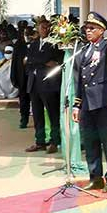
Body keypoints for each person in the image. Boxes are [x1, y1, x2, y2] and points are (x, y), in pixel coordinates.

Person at [71, 12, 107, 193]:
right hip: (87, 102)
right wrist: (77, 105)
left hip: (103, 99)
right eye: (86, 28)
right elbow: (78, 80)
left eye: (92, 28)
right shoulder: (84, 50)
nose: (88, 30)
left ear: (101, 30)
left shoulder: (104, 47)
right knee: (90, 140)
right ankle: (95, 177)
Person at [25, 20, 63, 153]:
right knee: (37, 114)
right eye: (42, 27)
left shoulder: (54, 44)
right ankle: (40, 141)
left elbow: (52, 60)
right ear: (37, 29)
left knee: (53, 113)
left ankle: (54, 141)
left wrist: (36, 60)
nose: (45, 29)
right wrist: (42, 61)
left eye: (47, 27)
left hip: (48, 84)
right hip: (34, 83)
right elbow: (28, 61)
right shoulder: (33, 44)